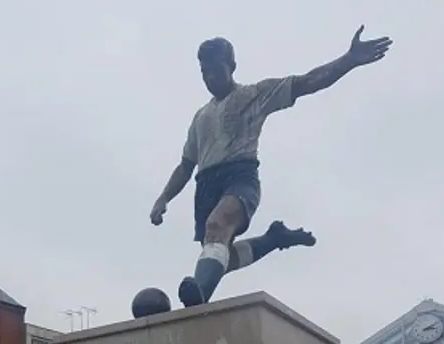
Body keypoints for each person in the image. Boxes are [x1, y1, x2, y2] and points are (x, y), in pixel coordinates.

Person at [150, 26, 392, 307]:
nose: (210, 77)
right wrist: (163, 198)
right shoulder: (200, 117)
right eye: (204, 72)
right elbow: (185, 166)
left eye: (216, 69)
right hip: (205, 186)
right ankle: (273, 239)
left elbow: (307, 82)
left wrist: (348, 60)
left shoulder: (254, 94)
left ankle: (199, 299)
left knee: (217, 226)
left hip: (239, 177)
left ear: (232, 66)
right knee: (219, 258)